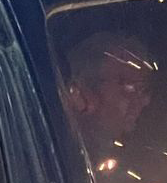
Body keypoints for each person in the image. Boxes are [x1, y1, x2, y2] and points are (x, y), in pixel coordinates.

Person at [63, 32, 156, 171]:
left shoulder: (138, 160)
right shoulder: (64, 161)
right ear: (83, 93)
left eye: (143, 89)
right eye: (129, 87)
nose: (145, 100)